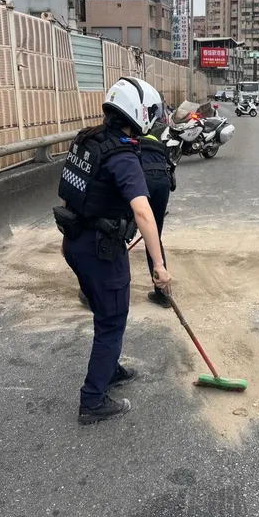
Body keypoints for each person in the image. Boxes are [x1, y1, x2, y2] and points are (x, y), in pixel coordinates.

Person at [55, 77, 172, 425]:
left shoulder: (87, 140)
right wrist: (160, 267)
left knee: (105, 312)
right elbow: (143, 212)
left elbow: (70, 193)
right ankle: (92, 400)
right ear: (139, 113)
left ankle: (110, 367)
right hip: (100, 249)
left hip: (76, 242)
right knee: (112, 320)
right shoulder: (122, 154)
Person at [140, 102, 176, 308]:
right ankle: (163, 294)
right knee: (153, 237)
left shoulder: (123, 133)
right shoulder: (158, 132)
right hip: (161, 180)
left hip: (140, 176)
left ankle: (94, 293)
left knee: (113, 235)